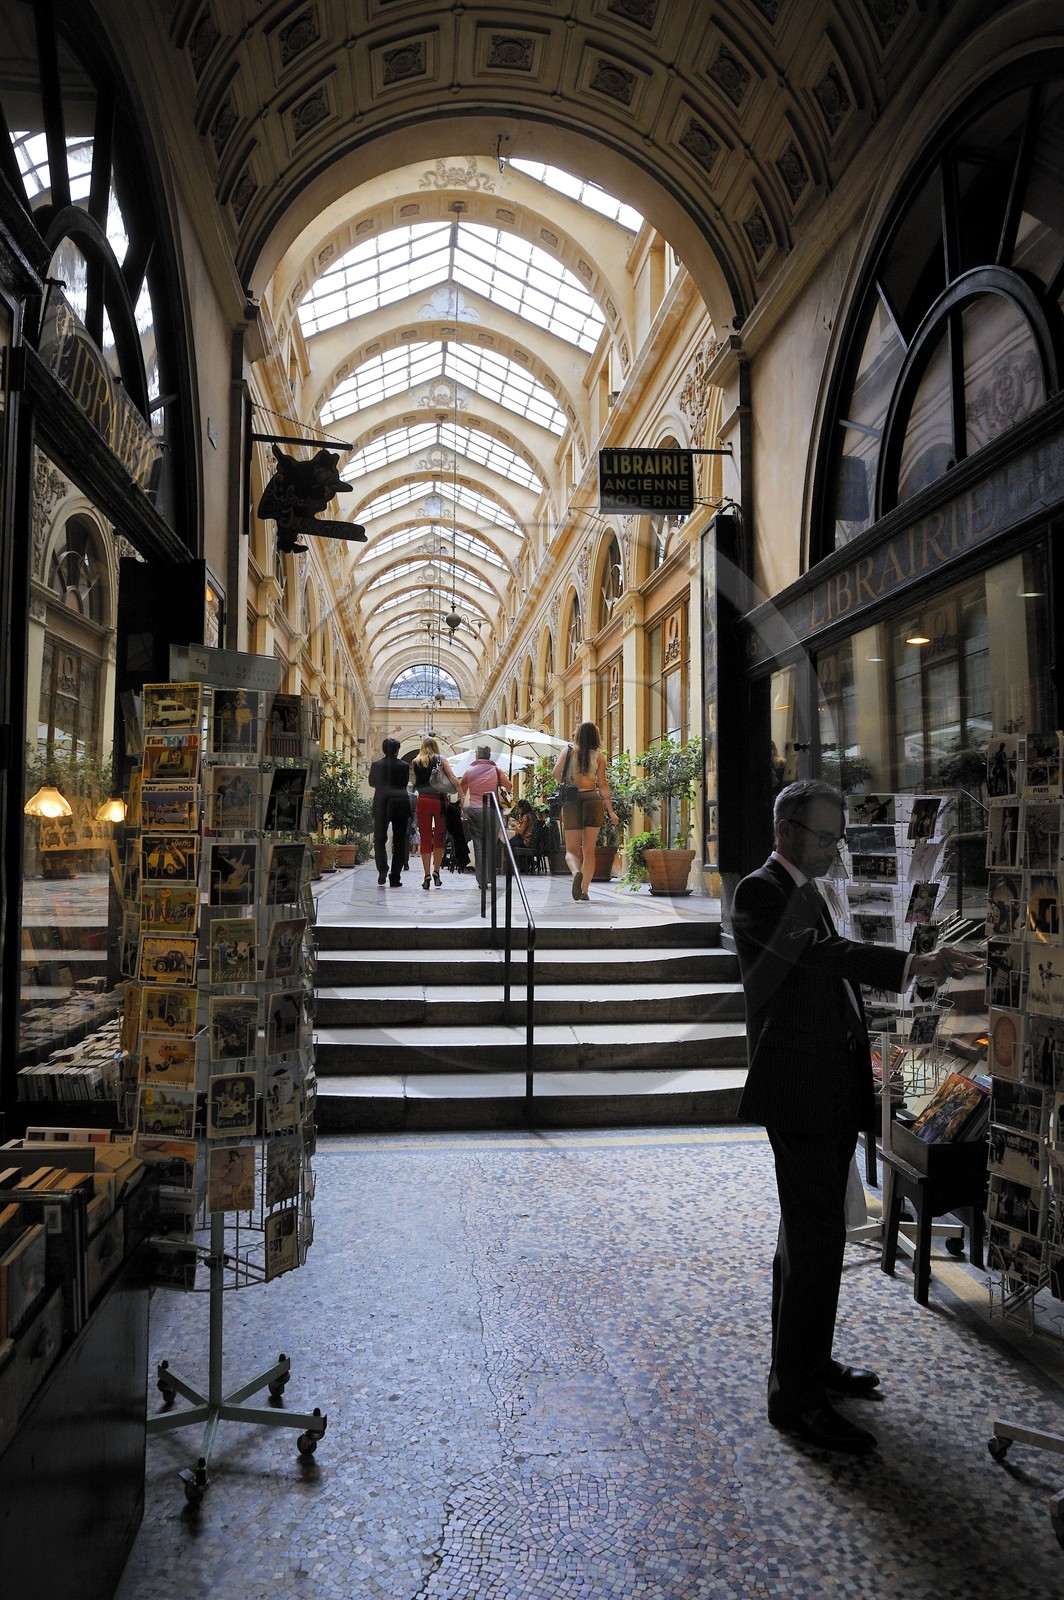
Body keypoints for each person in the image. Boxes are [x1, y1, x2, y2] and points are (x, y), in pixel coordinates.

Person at [731, 779, 981, 1455]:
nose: (834, 852)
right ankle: (795, 1401)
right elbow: (822, 958)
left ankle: (808, 1367)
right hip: (799, 1092)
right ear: (785, 830)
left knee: (811, 1242)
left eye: (838, 839)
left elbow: (827, 976)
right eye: (824, 838)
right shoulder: (760, 892)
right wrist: (912, 962)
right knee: (814, 1245)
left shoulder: (805, 890)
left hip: (826, 1088)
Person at [552, 721, 618, 902]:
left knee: (571, 851)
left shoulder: (567, 751)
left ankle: (576, 873)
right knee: (589, 851)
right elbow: (603, 785)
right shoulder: (599, 757)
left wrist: (567, 779)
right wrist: (611, 812)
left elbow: (555, 774)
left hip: (572, 801)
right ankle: (585, 890)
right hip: (592, 800)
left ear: (578, 734)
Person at [409, 736, 462, 889]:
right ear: (436, 746)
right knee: (439, 836)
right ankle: (436, 872)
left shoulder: (416, 762)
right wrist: (462, 795)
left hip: (423, 801)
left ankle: (426, 875)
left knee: (425, 838)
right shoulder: (440, 759)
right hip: (440, 801)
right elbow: (452, 777)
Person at [459, 745, 511, 887]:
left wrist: (464, 808)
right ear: (489, 755)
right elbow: (509, 786)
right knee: (491, 844)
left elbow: (462, 789)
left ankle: (481, 879)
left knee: (478, 844)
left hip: (475, 810)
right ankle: (490, 877)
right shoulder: (496, 769)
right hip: (492, 810)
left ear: (477, 755)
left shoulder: (469, 771)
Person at [367, 737, 410, 888]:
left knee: (379, 839)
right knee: (399, 842)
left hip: (382, 804)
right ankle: (395, 877)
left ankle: (382, 870)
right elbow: (404, 783)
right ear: (397, 750)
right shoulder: (404, 766)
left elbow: (372, 783)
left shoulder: (376, 765)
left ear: (384, 749)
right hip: (400, 804)